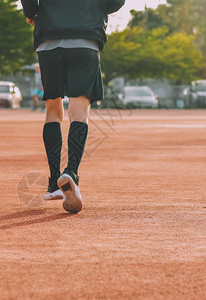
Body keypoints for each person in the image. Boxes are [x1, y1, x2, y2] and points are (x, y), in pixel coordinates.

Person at [21, 0, 125, 213]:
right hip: (84, 38)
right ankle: (71, 172)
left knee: (52, 109)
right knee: (79, 109)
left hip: (49, 39)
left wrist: (31, 12)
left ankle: (53, 183)